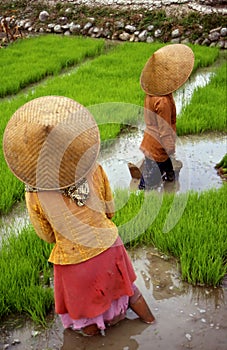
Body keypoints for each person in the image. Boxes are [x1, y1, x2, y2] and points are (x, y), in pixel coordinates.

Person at [3, 95, 155, 336]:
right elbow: (110, 210)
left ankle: (102, 340)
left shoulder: (35, 193)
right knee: (129, 289)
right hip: (107, 244)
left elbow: (47, 236)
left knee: (86, 316)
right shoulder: (93, 168)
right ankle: (151, 324)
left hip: (72, 259)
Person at [138, 44, 194, 190]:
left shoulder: (151, 93)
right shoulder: (162, 102)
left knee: (168, 174)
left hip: (150, 141)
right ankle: (144, 194)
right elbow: (164, 129)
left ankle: (169, 185)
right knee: (150, 182)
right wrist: (170, 149)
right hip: (158, 146)